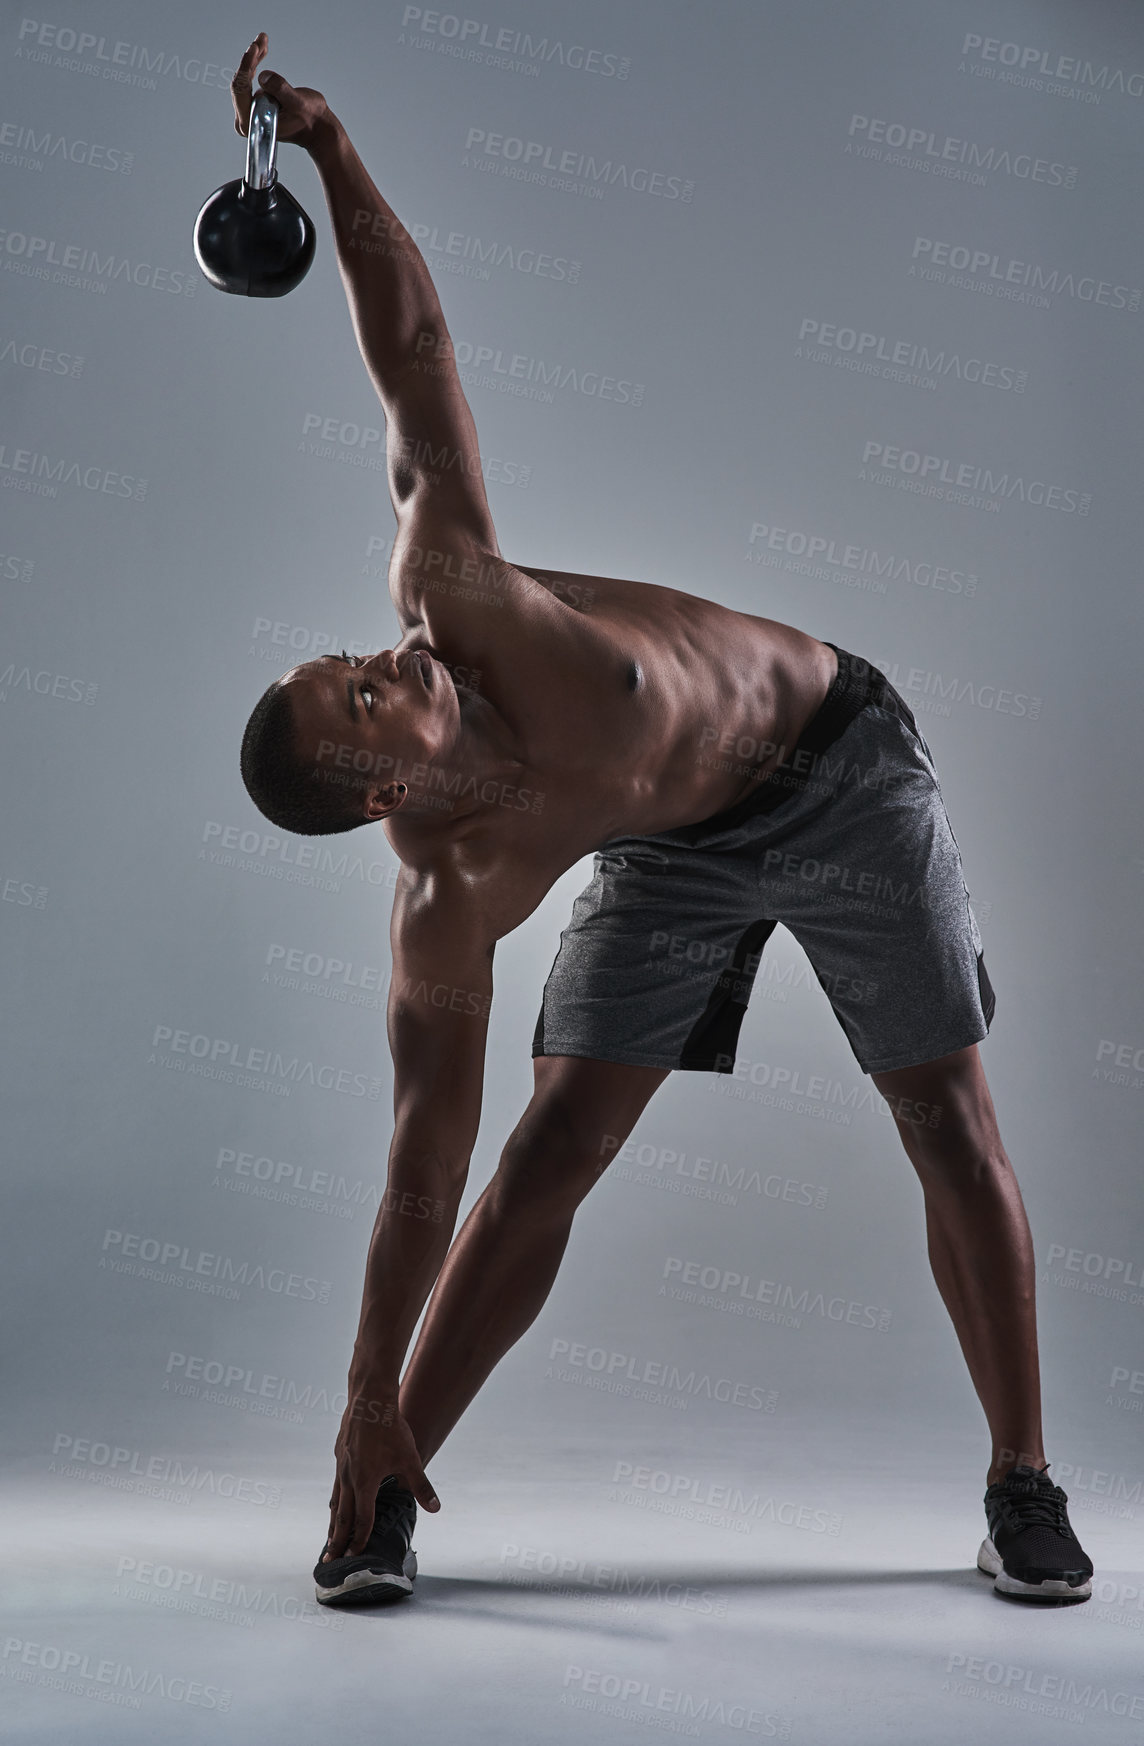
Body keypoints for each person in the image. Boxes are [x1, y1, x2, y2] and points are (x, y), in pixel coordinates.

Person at [230, 35, 1093, 1608]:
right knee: (551, 1144)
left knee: (945, 1120)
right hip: (664, 846)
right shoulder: (449, 898)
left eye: (357, 658)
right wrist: (361, 1381)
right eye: (364, 692)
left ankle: (1022, 1485)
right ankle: (386, 1474)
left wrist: (336, 153)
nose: (385, 657)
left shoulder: (460, 600)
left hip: (837, 763)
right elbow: (427, 1160)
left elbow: (412, 350)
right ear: (377, 796)